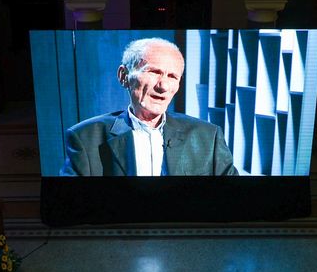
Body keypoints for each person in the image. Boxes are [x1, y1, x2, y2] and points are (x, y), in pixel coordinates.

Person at [61, 37, 237, 176]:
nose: (163, 86)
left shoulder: (208, 136)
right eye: (154, 72)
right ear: (124, 76)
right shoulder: (84, 138)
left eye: (172, 77)